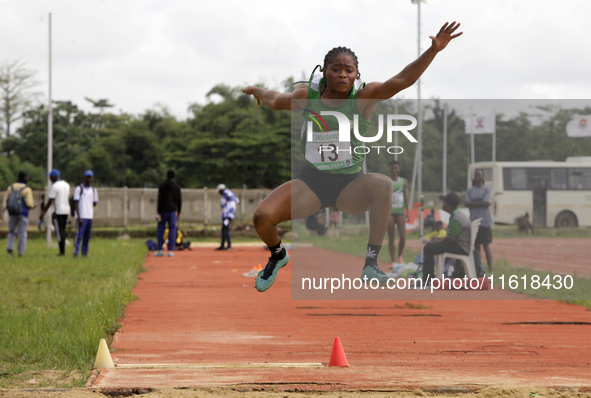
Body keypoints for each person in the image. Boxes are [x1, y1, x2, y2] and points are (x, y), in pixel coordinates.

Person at [242, 22, 462, 292]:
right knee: (262, 217)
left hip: (349, 186)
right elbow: (276, 99)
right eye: (336, 69)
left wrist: (433, 50)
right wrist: (256, 91)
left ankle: (371, 263)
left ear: (357, 75)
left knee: (383, 184)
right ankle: (278, 256)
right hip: (310, 183)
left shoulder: (364, 97)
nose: (343, 75)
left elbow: (402, 80)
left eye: (349, 70)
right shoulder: (308, 96)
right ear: (324, 72)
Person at [422, 192, 471, 286]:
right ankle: (430, 278)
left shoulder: (457, 218)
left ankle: (428, 280)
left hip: (460, 247)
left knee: (428, 248)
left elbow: (450, 239)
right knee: (431, 246)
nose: (442, 204)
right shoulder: (456, 215)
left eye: (443, 202)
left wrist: (437, 241)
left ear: (448, 205)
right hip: (460, 245)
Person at [464, 169, 493, 273]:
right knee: (476, 247)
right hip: (473, 220)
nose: (477, 177)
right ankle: (478, 268)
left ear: (482, 177)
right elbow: (466, 203)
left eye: (479, 175)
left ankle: (490, 269)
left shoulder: (486, 189)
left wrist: (473, 203)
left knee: (486, 246)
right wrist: (480, 203)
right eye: (476, 175)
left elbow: (486, 202)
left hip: (484, 221)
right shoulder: (470, 190)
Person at [39, 169, 71, 256]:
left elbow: (50, 201)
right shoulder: (66, 185)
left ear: (54, 176)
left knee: (59, 231)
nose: (49, 178)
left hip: (58, 211)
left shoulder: (55, 186)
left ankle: (62, 252)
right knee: (62, 230)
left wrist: (43, 213)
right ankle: (62, 251)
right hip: (66, 210)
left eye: (50, 176)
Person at [4, 171, 35, 257]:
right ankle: (20, 252)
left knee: (11, 232)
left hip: (12, 213)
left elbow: (7, 200)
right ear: (25, 178)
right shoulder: (27, 189)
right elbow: (29, 203)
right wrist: (32, 206)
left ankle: (10, 250)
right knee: (22, 233)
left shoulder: (11, 187)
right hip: (23, 213)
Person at [387, 160, 409, 264]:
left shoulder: (403, 181)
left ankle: (399, 256)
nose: (394, 170)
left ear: (399, 170)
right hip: (390, 212)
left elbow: (406, 196)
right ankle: (392, 260)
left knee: (403, 236)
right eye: (392, 168)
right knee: (391, 237)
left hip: (400, 211)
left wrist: (407, 211)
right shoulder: (387, 181)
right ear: (390, 170)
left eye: (396, 168)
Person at [72, 170, 99, 258]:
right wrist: (79, 216)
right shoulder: (79, 188)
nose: (88, 179)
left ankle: (85, 252)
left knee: (87, 236)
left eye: (90, 177)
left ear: (92, 178)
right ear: (84, 177)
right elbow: (76, 202)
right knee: (79, 235)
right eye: (87, 177)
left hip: (89, 216)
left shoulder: (94, 190)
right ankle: (76, 252)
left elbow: (95, 202)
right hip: (81, 216)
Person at [155, 170, 181, 257]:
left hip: (163, 210)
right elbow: (179, 200)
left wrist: (158, 212)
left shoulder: (162, 186)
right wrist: (178, 212)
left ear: (167, 176)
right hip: (173, 211)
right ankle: (170, 250)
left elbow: (160, 200)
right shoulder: (176, 187)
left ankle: (160, 249)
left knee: (161, 229)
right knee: (172, 229)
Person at [216, 184, 240, 251]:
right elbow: (238, 201)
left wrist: (224, 206)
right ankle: (223, 245)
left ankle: (228, 245)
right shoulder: (231, 193)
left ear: (221, 190)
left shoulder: (225, 194)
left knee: (226, 229)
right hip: (231, 214)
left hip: (227, 214)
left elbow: (222, 203)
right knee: (224, 229)